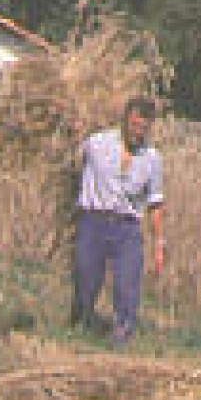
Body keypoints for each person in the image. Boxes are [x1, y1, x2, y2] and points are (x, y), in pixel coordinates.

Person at [71, 96, 165, 348]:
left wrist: (158, 245)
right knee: (87, 277)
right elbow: (71, 160)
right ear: (125, 120)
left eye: (144, 127)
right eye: (134, 125)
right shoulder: (97, 143)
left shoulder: (152, 158)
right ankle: (82, 319)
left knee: (127, 281)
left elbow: (155, 203)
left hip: (128, 227)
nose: (138, 132)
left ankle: (123, 331)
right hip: (93, 221)